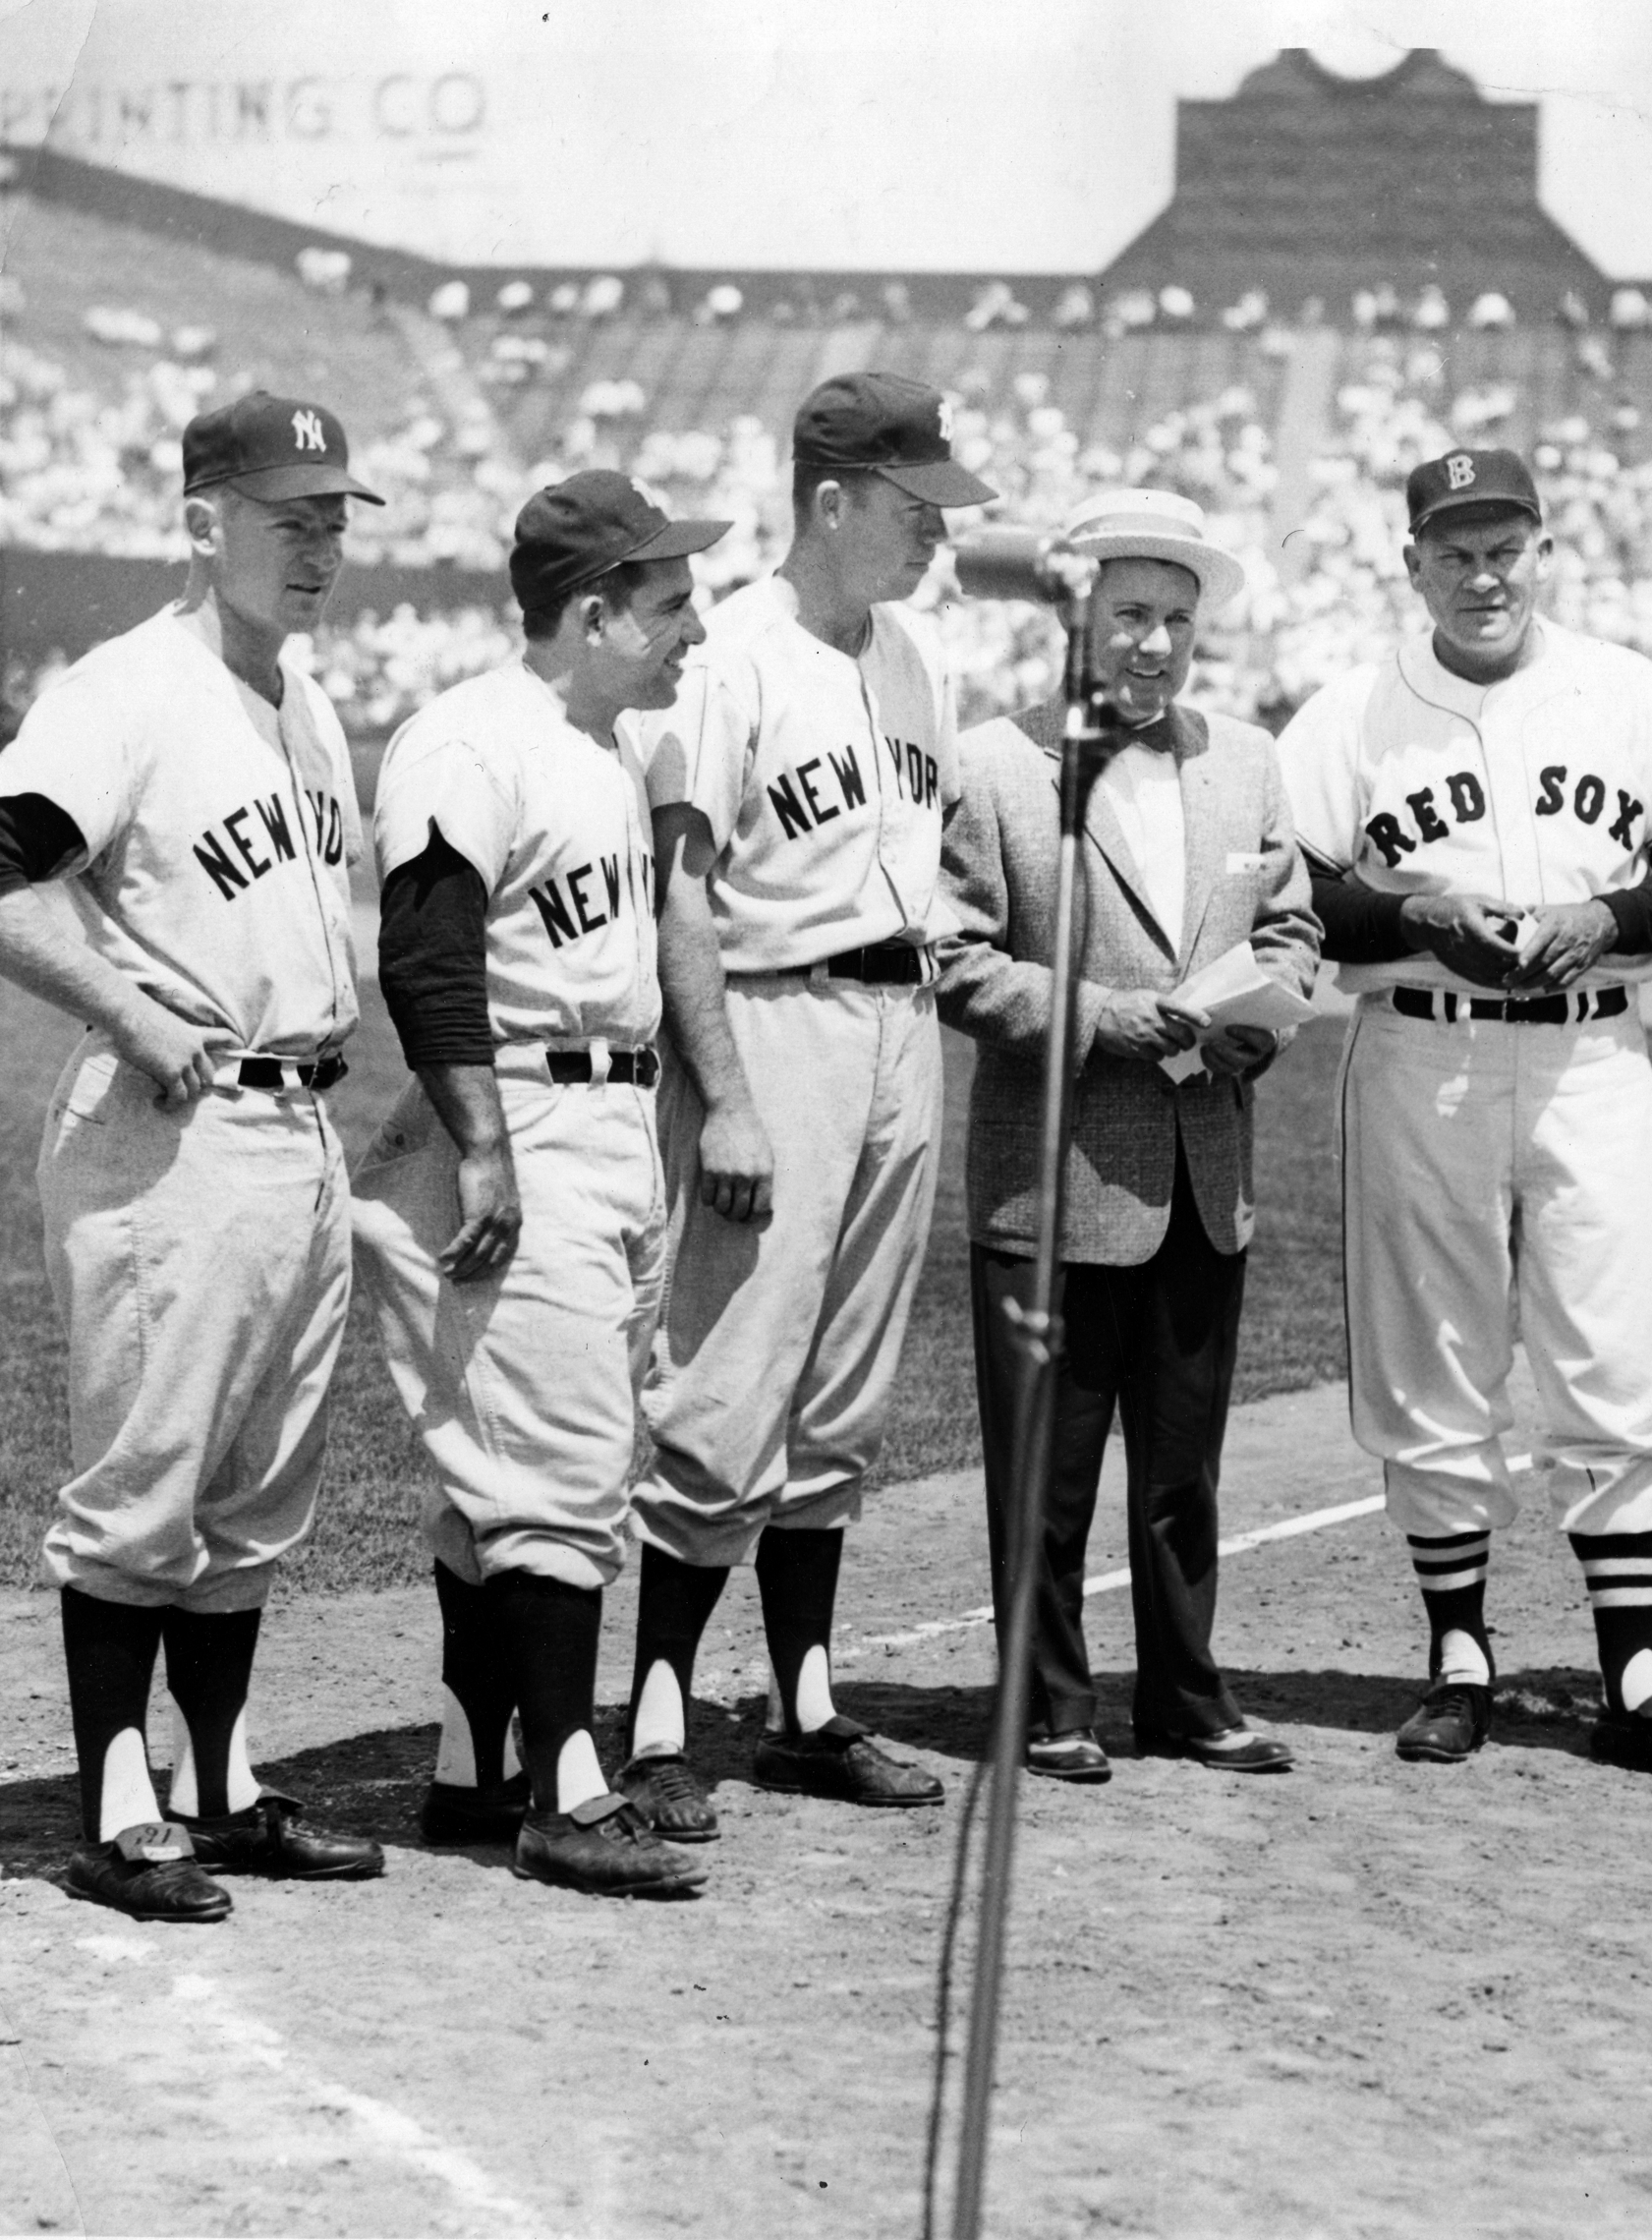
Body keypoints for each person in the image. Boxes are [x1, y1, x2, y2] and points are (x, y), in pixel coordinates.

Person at [1277, 446, 1652, 1786]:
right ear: (1413, 559)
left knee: (1620, 1350)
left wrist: (1606, 915)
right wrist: (1421, 912)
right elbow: (1307, 889)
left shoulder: (1622, 688)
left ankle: (1635, 1671)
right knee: (1436, 1358)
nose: (1482, 573)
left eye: (1506, 545)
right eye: (1454, 549)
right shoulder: (1355, 710)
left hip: (1591, 1051)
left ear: (1542, 548)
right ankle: (1460, 1656)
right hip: (1421, 1052)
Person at [0, 391, 386, 1921]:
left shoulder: (301, 698)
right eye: (288, 517)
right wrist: (127, 1007)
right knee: (149, 1478)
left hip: (291, 1122)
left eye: (333, 519)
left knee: (254, 1486)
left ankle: (220, 1785)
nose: (319, 547)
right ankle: (114, 1802)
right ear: (199, 520)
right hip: (168, 1124)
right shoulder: (129, 689)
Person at [612, 374, 994, 1839]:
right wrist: (724, 1096)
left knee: (842, 1392)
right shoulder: (731, 661)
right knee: (727, 1376)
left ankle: (806, 1703)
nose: (933, 539)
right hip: (775, 1023)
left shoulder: (919, 658)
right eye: (914, 511)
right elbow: (685, 893)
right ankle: (654, 1711)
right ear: (831, 500)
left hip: (902, 1022)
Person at [350, 471, 728, 1899]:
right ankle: (568, 1788)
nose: (693, 625)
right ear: (591, 611)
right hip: (518, 1108)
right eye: (670, 599)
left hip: (605, 1119)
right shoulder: (466, 738)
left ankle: (471, 1758)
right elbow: (427, 955)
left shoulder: (606, 744)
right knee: (561, 1470)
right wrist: (487, 1141)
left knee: (507, 1466)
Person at [939, 488, 1319, 1779]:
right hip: (1056, 1176)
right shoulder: (999, 764)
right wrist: (1104, 1017)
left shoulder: (1248, 760)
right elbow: (955, 958)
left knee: (1181, 1470)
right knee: (1047, 1478)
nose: (1153, 644)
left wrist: (1259, 1017)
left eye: (1175, 620)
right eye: (1130, 616)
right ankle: (1048, 1700)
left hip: (1207, 1162)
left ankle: (1188, 1692)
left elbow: (1293, 923)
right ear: (1079, 622)